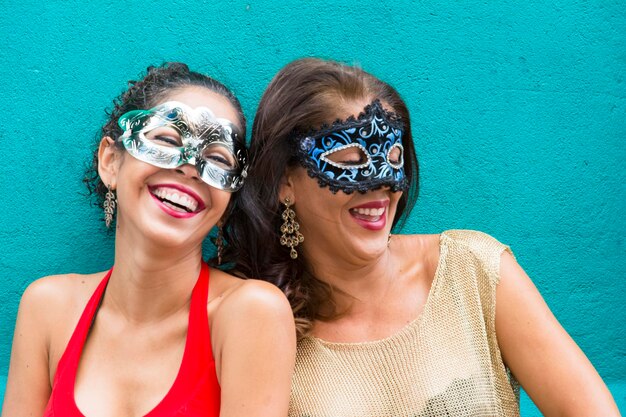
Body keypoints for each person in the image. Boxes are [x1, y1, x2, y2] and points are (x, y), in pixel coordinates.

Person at [227, 58, 620, 416]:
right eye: (350, 163)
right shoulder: (260, 326)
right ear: (284, 183)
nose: (382, 185)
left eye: (394, 158)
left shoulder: (473, 271)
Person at [2, 63, 296, 417]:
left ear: (229, 199)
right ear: (111, 162)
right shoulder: (46, 308)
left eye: (217, 158)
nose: (190, 167)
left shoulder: (249, 312)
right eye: (168, 140)